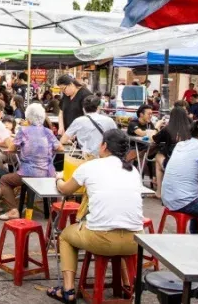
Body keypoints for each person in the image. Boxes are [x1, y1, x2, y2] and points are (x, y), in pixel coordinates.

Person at [49, 129, 143, 303]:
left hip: (102, 239)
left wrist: (57, 179)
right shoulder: (134, 171)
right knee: (119, 226)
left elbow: (65, 189)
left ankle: (68, 290)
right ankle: (128, 285)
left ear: (105, 146)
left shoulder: (90, 166)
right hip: (135, 241)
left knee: (65, 236)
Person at [0, 104, 62, 221]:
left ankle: (13, 211)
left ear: (28, 118)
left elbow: (11, 148)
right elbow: (60, 148)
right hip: (48, 173)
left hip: (28, 173)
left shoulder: (24, 131)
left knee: (5, 180)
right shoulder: (48, 131)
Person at [151, 106, 192, 198]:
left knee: (158, 156)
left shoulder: (168, 129)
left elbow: (154, 139)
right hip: (189, 164)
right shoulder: (191, 129)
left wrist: (157, 126)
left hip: (173, 164)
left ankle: (159, 191)